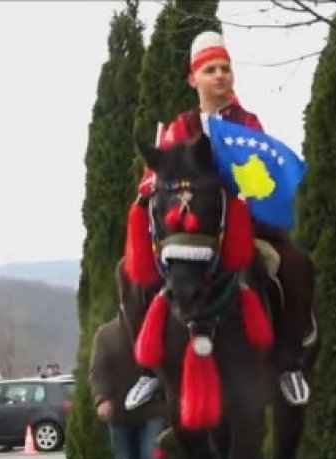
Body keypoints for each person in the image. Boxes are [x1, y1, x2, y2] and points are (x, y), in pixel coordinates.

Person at [125, 30, 315, 411]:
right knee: (129, 276)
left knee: (293, 265)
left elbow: (261, 177)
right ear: (193, 79)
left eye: (225, 69)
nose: (220, 76)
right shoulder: (180, 127)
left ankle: (288, 362)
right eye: (210, 69)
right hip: (188, 233)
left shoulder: (249, 125)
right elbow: (162, 177)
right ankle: (148, 371)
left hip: (242, 227)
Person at [91, 314, 168, 459]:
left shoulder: (154, 330)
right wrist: (101, 399)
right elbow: (98, 371)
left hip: (151, 412)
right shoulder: (106, 334)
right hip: (120, 417)